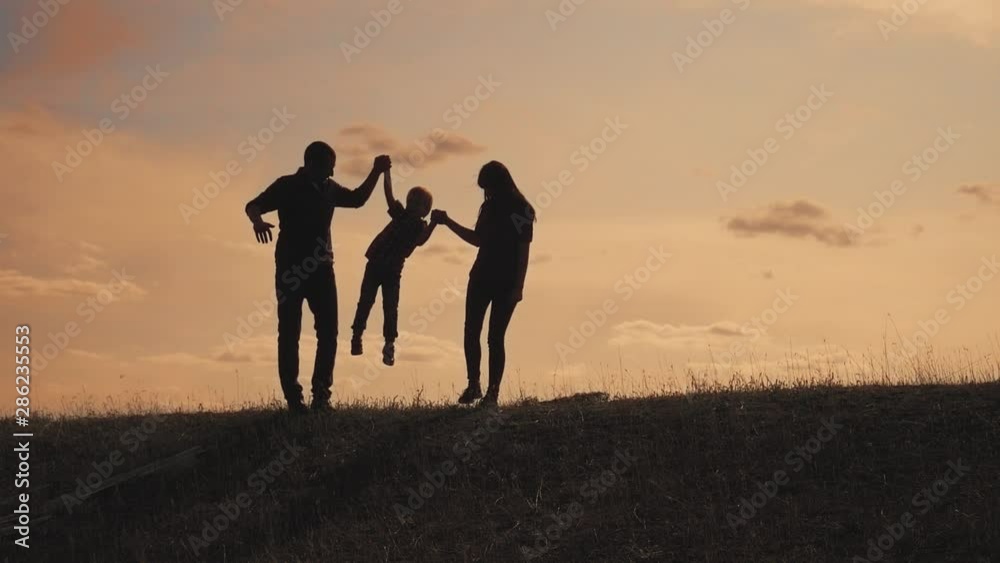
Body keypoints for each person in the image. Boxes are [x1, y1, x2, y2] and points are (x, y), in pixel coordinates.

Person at [245, 141, 390, 413]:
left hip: (323, 268)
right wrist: (257, 221)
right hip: (291, 268)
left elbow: (358, 199)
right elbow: (254, 205)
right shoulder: (286, 185)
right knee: (289, 331)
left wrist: (376, 171)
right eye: (328, 167)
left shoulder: (330, 189)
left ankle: (321, 396)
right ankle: (294, 399)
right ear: (311, 164)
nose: (333, 173)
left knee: (329, 332)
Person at [432, 161, 535, 408]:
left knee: (494, 337)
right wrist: (448, 222)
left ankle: (492, 393)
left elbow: (523, 251)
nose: (486, 193)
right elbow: (478, 239)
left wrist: (518, 287)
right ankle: (474, 384)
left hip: (506, 281)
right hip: (481, 276)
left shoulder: (522, 209)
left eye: (487, 187)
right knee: (472, 331)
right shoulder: (488, 208)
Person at [350, 165, 437, 366]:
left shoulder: (420, 226)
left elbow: (421, 241)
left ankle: (389, 344)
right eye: (412, 201)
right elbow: (389, 195)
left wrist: (433, 223)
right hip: (375, 264)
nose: (413, 205)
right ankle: (357, 334)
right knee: (366, 301)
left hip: (392, 271)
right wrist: (386, 172)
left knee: (390, 308)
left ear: (426, 211)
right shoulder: (400, 214)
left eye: (419, 204)